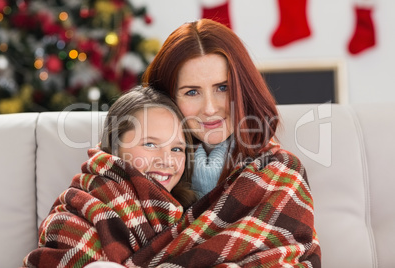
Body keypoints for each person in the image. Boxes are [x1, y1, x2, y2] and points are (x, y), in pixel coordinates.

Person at [140, 18, 322, 266]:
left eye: (222, 88)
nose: (210, 108)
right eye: (191, 92)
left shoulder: (280, 171)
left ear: (244, 90)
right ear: (167, 99)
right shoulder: (140, 163)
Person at [22, 86, 197, 267]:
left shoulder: (190, 216)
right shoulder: (76, 214)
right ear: (115, 146)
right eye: (150, 144)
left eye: (176, 149)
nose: (167, 161)